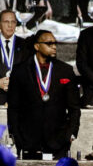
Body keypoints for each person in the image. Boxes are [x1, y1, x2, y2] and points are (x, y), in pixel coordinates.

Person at [7, 31, 80, 159]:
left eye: (55, 43)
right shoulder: (20, 71)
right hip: (28, 141)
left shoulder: (65, 70)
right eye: (49, 43)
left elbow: (74, 108)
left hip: (59, 141)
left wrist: (70, 134)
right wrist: (17, 136)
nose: (54, 47)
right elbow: (13, 108)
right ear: (37, 46)